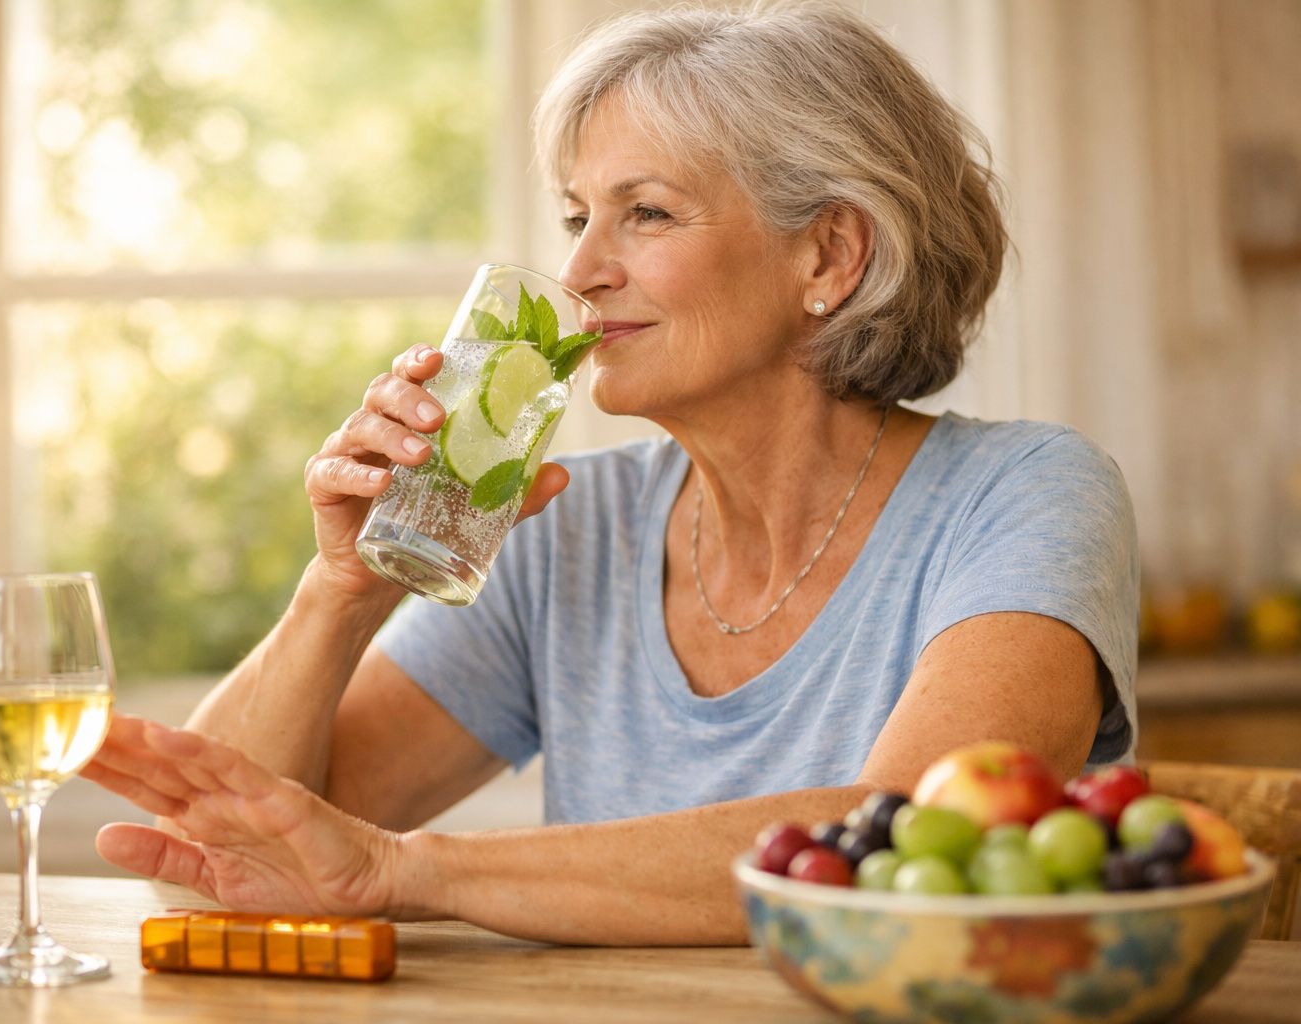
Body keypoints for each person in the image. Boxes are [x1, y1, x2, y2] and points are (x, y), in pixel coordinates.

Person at [81, 1, 1138, 945]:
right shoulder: (572, 527)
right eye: (579, 215)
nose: (582, 272)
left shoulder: (1028, 494)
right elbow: (216, 857)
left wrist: (405, 872)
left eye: (648, 212)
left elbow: (903, 843)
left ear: (830, 256)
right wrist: (340, 596)